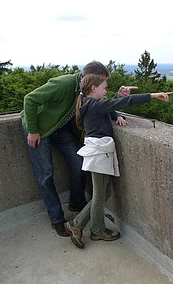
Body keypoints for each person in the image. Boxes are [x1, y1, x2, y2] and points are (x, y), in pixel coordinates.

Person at [21, 61, 136, 237]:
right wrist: (32, 130)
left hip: (60, 129)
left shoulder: (86, 90)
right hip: (39, 129)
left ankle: (77, 204)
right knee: (45, 174)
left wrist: (117, 111)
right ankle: (57, 219)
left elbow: (99, 104)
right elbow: (29, 99)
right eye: (101, 82)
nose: (102, 87)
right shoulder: (64, 84)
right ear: (89, 78)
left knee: (79, 164)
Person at [64, 74, 171, 249]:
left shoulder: (88, 105)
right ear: (94, 88)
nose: (106, 91)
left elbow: (109, 107)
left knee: (104, 194)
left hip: (97, 152)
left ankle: (78, 223)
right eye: (104, 87)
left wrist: (116, 115)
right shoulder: (94, 105)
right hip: (99, 154)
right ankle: (93, 229)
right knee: (100, 195)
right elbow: (120, 103)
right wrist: (153, 95)